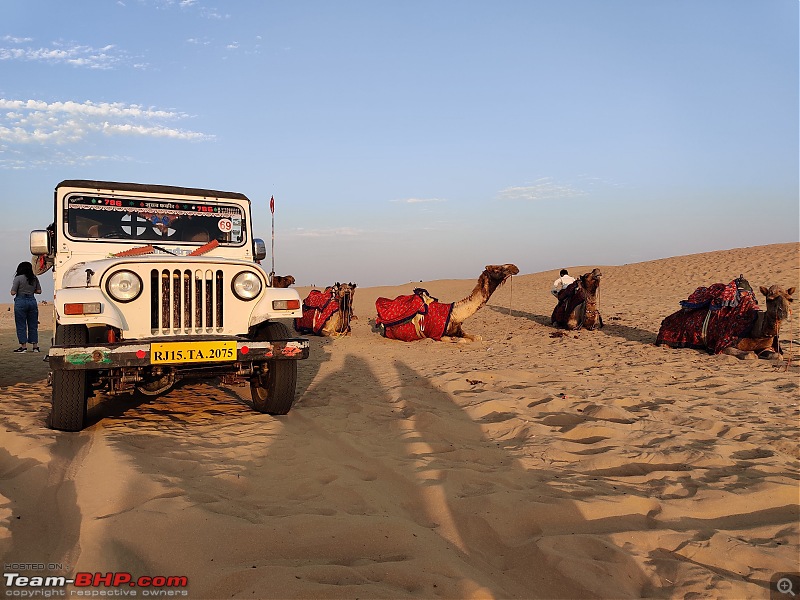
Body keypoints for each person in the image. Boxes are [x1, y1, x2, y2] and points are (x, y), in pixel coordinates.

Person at [11, 261, 42, 353]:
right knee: (33, 325)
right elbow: (39, 291)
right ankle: (35, 346)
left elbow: (13, 292)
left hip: (21, 301)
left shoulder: (18, 278)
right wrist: (31, 291)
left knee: (21, 324)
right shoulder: (34, 278)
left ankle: (23, 346)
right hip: (32, 301)